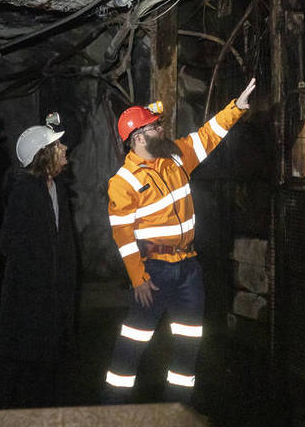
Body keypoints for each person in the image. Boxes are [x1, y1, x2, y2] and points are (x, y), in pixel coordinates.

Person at [103, 77, 256, 404]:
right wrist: (138, 278)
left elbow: (206, 136)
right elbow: (123, 236)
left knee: (188, 343)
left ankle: (178, 412)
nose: (161, 130)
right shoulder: (123, 182)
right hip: (154, 273)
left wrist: (236, 108)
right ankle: (112, 413)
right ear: (138, 137)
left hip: (188, 268)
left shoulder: (175, 157)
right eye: (155, 127)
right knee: (133, 344)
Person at [0, 122, 78, 408]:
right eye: (58, 146)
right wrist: (38, 280)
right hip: (32, 300)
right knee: (28, 372)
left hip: (52, 297)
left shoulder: (56, 187)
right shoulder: (26, 191)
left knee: (47, 372)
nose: (65, 148)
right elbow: (9, 242)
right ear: (44, 155)